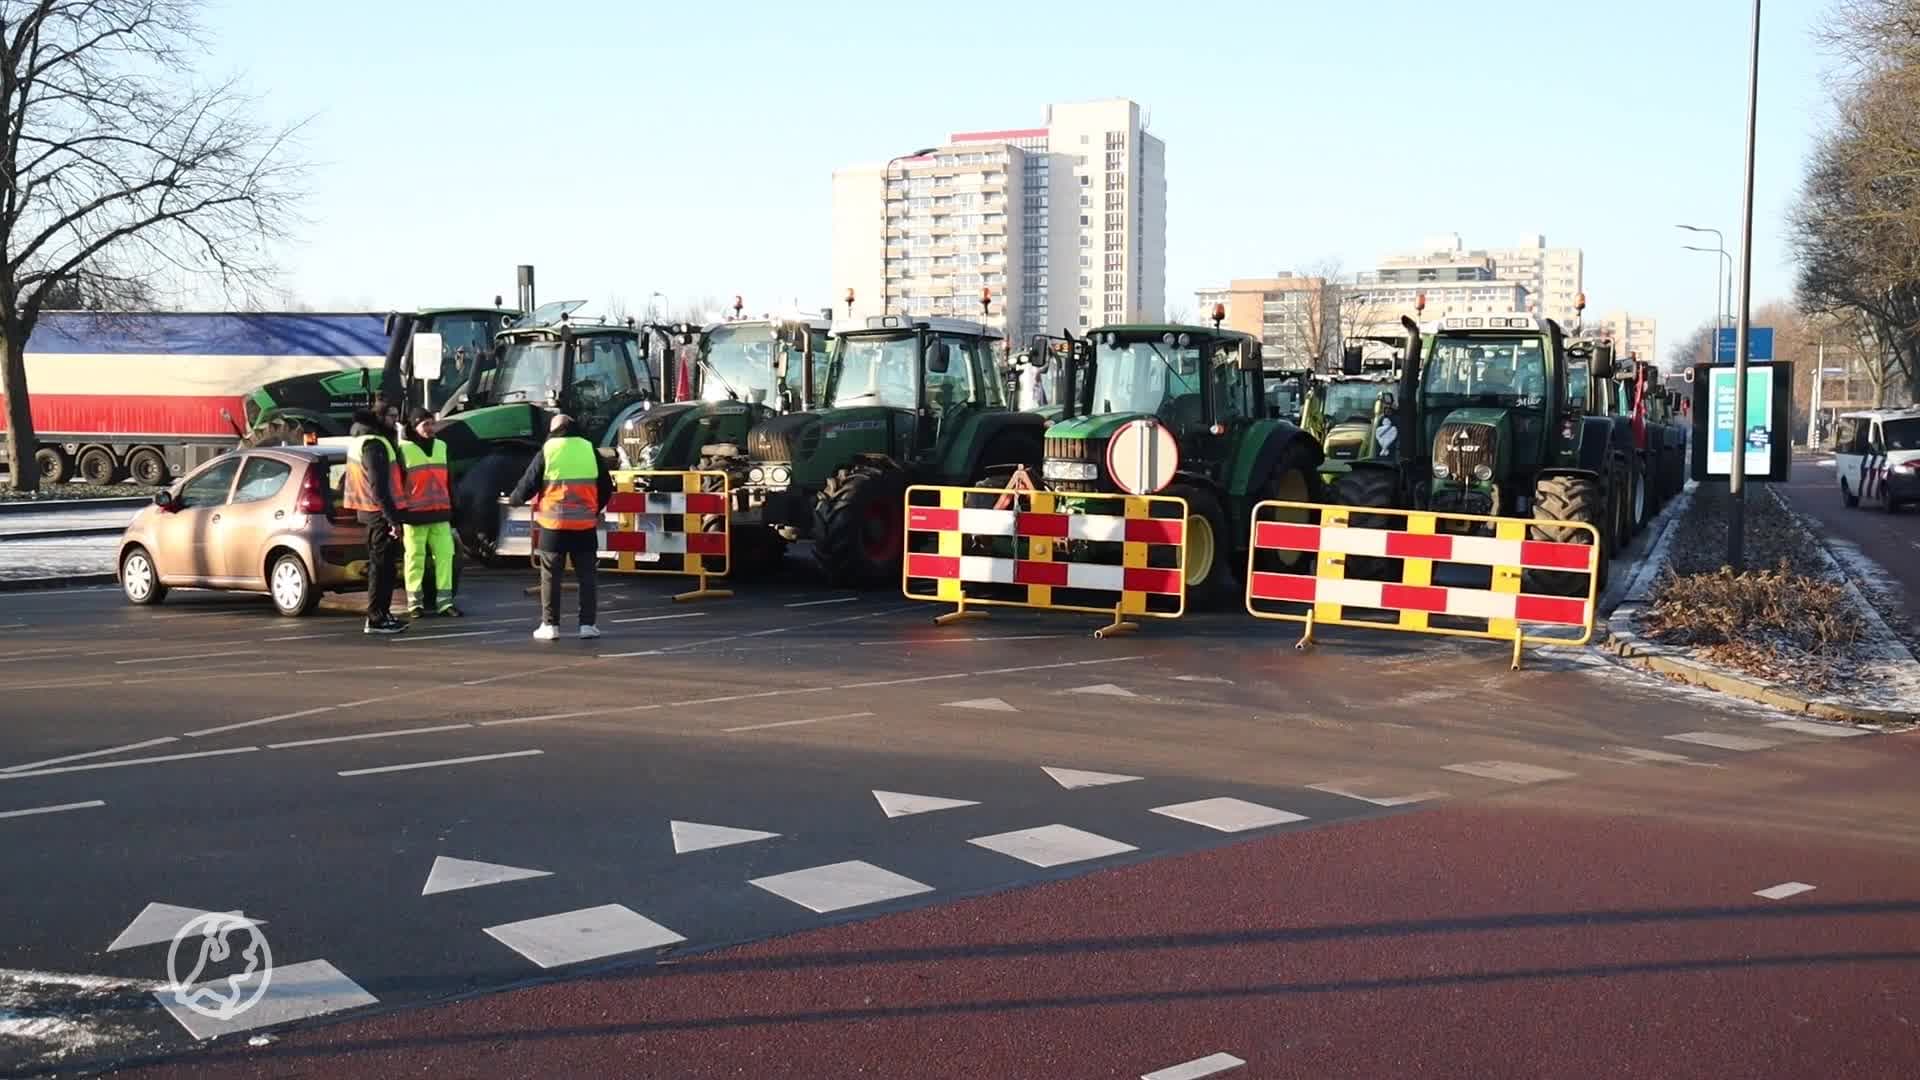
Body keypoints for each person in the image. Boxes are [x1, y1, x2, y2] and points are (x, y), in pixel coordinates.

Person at [509, 414, 613, 640]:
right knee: (587, 576)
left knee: (551, 576)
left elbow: (529, 483)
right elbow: (606, 487)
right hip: (584, 525)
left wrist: (514, 499)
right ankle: (587, 625)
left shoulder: (549, 449)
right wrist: (593, 509)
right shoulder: (589, 449)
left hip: (554, 525)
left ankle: (550, 625)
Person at [342, 401, 408, 635]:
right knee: (381, 568)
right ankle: (377, 618)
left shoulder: (361, 441)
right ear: (379, 418)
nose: (395, 421)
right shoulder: (374, 444)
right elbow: (379, 488)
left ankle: (382, 614)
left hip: (371, 512)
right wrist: (392, 519)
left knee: (384, 568)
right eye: (391, 416)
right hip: (378, 514)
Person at [399, 409, 462, 619]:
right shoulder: (404, 449)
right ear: (414, 426)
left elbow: (449, 480)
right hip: (414, 515)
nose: (430, 428)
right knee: (415, 558)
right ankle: (414, 604)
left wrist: (455, 507)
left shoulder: (442, 447)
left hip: (441, 513)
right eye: (425, 424)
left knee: (446, 557)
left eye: (431, 424)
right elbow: (398, 485)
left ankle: (445, 602)